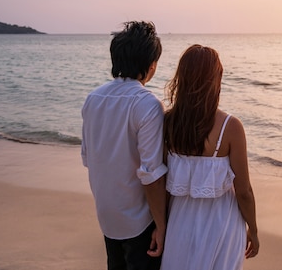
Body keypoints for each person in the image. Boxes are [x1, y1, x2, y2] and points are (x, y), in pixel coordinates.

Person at [160, 44, 260, 270]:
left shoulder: (168, 123)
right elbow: (244, 191)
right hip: (221, 224)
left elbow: (163, 182)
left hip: (179, 223)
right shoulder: (230, 127)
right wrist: (253, 230)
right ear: (216, 79)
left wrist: (161, 224)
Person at [81, 21, 167, 270]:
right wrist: (162, 227)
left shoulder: (93, 98)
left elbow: (89, 158)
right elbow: (152, 175)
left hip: (107, 216)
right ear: (151, 66)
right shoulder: (147, 104)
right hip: (139, 220)